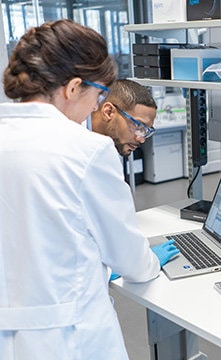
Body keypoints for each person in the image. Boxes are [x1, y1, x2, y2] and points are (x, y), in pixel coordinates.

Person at [0, 19, 179, 360]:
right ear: (72, 87)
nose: (97, 107)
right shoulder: (86, 150)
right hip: (68, 339)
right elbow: (128, 257)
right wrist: (149, 262)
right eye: (98, 95)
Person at [90, 79, 157, 157]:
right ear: (108, 112)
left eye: (146, 131)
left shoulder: (111, 148)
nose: (141, 140)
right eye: (138, 126)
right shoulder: (77, 145)